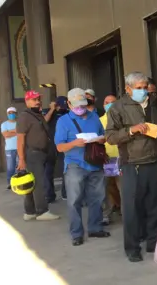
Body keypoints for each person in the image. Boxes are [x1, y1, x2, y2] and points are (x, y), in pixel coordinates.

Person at [105, 71, 157, 263]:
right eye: (139, 88)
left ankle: (153, 242)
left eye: (145, 88)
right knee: (132, 208)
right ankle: (132, 247)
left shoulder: (156, 104)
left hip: (156, 161)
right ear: (128, 89)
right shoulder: (117, 107)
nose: (144, 92)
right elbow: (110, 136)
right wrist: (131, 130)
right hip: (133, 164)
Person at [55, 88, 110, 246]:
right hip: (75, 164)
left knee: (97, 198)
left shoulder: (94, 117)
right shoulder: (63, 121)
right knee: (74, 200)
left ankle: (95, 228)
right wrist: (73, 143)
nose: (81, 108)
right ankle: (77, 233)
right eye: (77, 105)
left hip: (95, 163)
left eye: (83, 105)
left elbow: (103, 135)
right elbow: (59, 147)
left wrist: (100, 140)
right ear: (69, 104)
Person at [16, 90, 60, 221]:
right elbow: (20, 139)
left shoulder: (36, 114)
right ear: (27, 101)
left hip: (40, 153)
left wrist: (51, 110)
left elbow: (43, 123)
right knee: (39, 183)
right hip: (33, 153)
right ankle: (42, 211)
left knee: (32, 182)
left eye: (38, 99)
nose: (37, 101)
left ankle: (30, 211)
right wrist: (22, 160)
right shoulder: (24, 116)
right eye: (34, 99)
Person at [100, 94, 122, 225]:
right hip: (106, 159)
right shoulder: (98, 121)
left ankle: (126, 214)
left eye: (112, 102)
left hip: (121, 159)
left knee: (123, 188)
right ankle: (106, 215)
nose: (109, 104)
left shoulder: (122, 119)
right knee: (107, 188)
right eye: (106, 102)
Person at [42, 100, 59, 203]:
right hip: (43, 149)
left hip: (52, 148)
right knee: (45, 174)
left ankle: (49, 194)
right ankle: (48, 194)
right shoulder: (45, 113)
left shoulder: (59, 116)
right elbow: (45, 120)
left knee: (48, 173)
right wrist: (52, 109)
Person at [1, 107, 19, 189]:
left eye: (13, 113)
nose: (11, 114)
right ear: (7, 114)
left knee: (19, 167)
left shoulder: (19, 123)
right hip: (9, 149)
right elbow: (5, 135)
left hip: (19, 147)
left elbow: (22, 132)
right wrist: (16, 131)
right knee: (10, 167)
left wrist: (10, 131)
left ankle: (18, 182)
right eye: (9, 113)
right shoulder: (4, 124)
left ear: (16, 114)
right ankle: (10, 183)